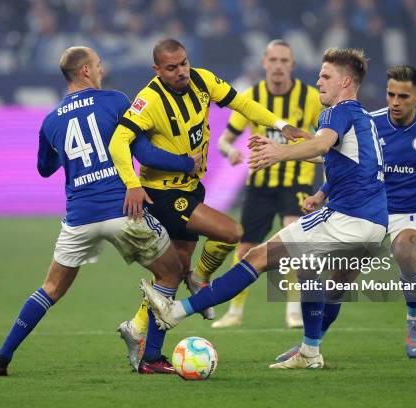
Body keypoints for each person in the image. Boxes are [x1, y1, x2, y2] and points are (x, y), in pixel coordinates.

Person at [141, 48, 388, 370]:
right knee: (323, 281)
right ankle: (310, 352)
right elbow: (337, 158)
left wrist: (278, 153)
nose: (319, 83)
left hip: (347, 217)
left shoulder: (335, 113)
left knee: (255, 257)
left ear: (346, 81)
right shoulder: (365, 119)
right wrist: (320, 189)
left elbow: (321, 144)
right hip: (375, 225)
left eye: (325, 77)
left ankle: (174, 312)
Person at [0, 46, 202, 376]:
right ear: (86, 71)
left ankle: (1, 356)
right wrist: (186, 163)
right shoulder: (115, 101)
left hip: (79, 219)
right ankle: (152, 358)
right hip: (123, 210)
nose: (102, 70)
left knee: (51, 289)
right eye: (99, 65)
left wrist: (69, 153)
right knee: (171, 272)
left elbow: (44, 168)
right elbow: (143, 152)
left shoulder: (51, 120)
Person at [109, 38, 309, 367]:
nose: (181, 72)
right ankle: (201, 280)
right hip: (162, 194)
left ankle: (147, 346)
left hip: (190, 188)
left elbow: (242, 104)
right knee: (231, 232)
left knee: (171, 276)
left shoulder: (202, 79)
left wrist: (281, 125)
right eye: (172, 68)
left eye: (184, 63)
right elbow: (120, 139)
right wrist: (131, 184)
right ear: (157, 70)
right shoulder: (149, 99)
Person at [275, 65, 416, 362]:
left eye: (403, 96)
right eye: (390, 94)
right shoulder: (370, 122)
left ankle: (414, 318)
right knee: (337, 284)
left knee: (405, 251)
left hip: (411, 212)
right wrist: (322, 194)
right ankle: (310, 345)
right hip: (368, 209)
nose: (394, 101)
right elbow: (353, 166)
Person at [214, 39, 324, 329]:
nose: (278, 66)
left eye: (284, 61)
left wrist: (310, 148)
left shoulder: (310, 98)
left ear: (293, 65)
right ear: (264, 63)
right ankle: (235, 312)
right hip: (260, 184)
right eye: (273, 60)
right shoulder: (252, 97)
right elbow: (224, 141)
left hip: (296, 182)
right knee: (245, 248)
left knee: (292, 237)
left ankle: (293, 309)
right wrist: (232, 152)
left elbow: (323, 139)